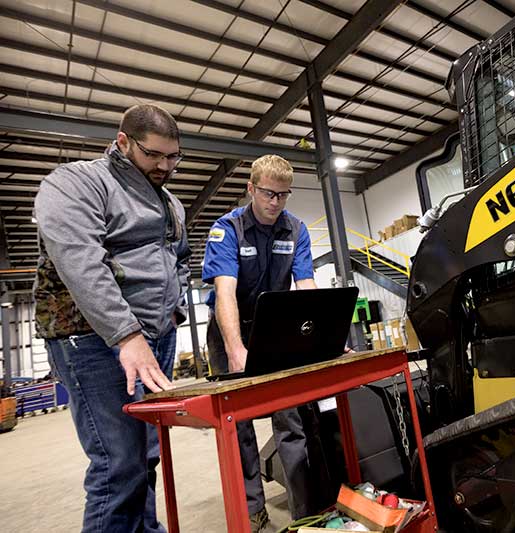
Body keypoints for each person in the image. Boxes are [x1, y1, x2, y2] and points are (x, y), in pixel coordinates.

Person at [34, 104, 190, 532]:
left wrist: (171, 314)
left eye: (173, 156)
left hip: (154, 338)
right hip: (93, 340)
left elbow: (180, 259)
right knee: (117, 465)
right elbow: (80, 262)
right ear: (123, 142)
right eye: (154, 154)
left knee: (146, 457)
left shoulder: (170, 201)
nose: (165, 165)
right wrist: (127, 335)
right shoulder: (75, 184)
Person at [202, 154, 317, 531]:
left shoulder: (296, 230)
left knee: (291, 420)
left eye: (284, 195)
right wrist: (236, 349)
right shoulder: (227, 229)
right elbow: (225, 292)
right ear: (251, 188)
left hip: (275, 327)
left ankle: (305, 512)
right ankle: (253, 513)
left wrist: (318, 338)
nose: (276, 202)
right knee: (240, 426)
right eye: (269, 194)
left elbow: (306, 289)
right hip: (229, 327)